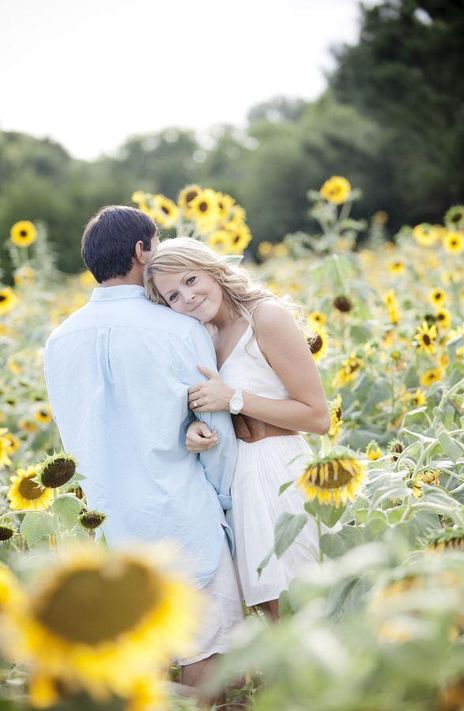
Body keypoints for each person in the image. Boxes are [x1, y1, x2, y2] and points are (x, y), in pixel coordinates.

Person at [44, 206, 243, 687]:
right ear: (141, 250)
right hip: (184, 515)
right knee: (214, 660)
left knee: (141, 668)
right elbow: (214, 431)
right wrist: (227, 508)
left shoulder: (58, 341)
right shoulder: (180, 329)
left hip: (111, 526)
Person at [144, 237, 330, 620]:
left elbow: (317, 416)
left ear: (213, 269)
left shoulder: (265, 316)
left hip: (280, 471)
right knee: (268, 607)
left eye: (191, 280)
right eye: (173, 296)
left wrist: (233, 399)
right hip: (239, 478)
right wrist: (198, 428)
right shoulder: (204, 336)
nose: (188, 297)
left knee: (299, 601)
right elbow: (219, 403)